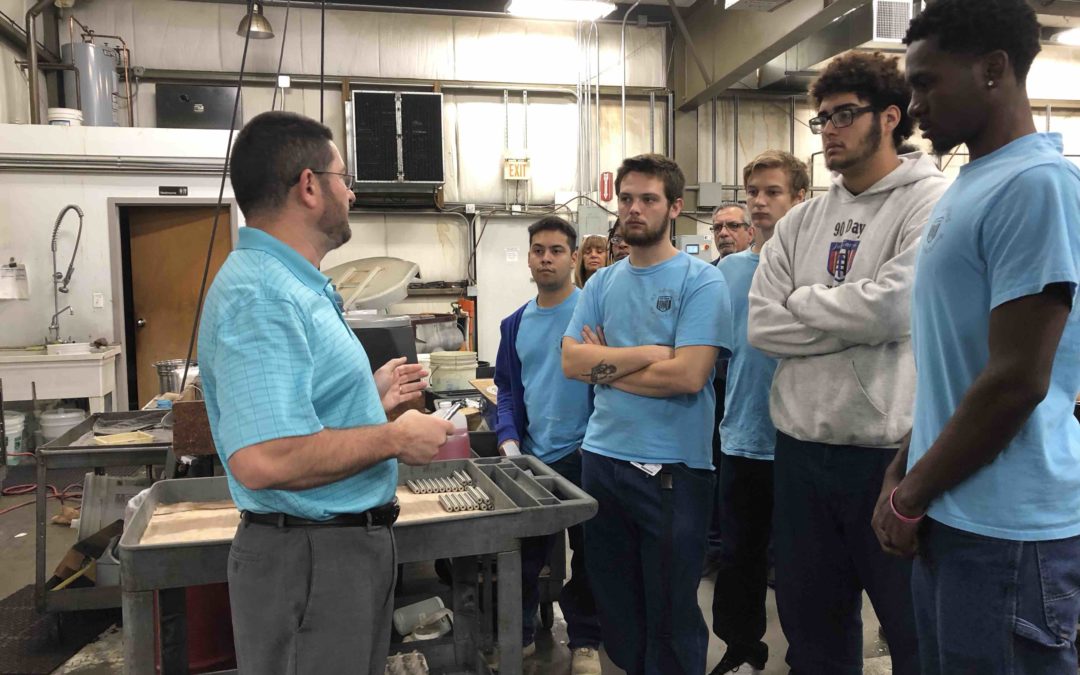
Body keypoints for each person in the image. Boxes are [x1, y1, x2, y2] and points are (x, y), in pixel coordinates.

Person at [198, 111, 455, 674]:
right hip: (309, 559)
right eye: (343, 177)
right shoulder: (264, 295)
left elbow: (298, 409)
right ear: (309, 186)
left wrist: (367, 397)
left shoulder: (296, 284)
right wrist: (391, 438)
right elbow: (264, 459)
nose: (352, 191)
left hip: (335, 552)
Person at [872, 3, 1080, 673]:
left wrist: (911, 493)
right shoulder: (973, 185)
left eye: (928, 83)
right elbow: (956, 365)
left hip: (1008, 537)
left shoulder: (1036, 186)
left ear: (994, 70)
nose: (913, 105)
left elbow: (1017, 378)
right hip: (953, 517)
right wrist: (903, 468)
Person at [747, 51, 948, 675]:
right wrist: (847, 322)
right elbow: (761, 324)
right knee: (812, 634)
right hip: (801, 453)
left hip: (885, 458)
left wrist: (804, 302)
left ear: (890, 117)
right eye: (822, 119)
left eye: (843, 115)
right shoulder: (803, 220)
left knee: (913, 630)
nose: (829, 130)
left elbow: (895, 311)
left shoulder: (932, 201)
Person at [562, 153, 733, 675]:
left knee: (670, 612)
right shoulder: (601, 283)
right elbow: (572, 361)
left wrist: (606, 363)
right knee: (619, 609)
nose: (634, 209)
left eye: (649, 199)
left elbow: (688, 376)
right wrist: (646, 354)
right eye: (627, 199)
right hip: (602, 460)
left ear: (675, 208)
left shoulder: (701, 281)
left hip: (671, 472)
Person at [709, 150, 808, 675]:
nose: (760, 202)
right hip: (743, 434)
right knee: (739, 556)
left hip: (800, 438)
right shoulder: (729, 271)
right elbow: (713, 353)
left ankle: (806, 652)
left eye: (773, 192)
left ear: (800, 198)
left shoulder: (814, 266)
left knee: (800, 563)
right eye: (753, 193)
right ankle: (742, 645)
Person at [494, 215, 603, 674]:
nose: (546, 258)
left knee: (591, 557)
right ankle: (516, 636)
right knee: (523, 556)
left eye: (556, 250)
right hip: (533, 457)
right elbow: (504, 389)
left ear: (574, 258)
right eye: (538, 250)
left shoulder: (593, 315)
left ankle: (585, 641)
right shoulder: (514, 324)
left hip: (586, 455)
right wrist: (508, 438)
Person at [701, 200, 754, 575]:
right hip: (714, 389)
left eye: (733, 226)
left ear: (750, 232)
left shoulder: (762, 273)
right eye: (718, 227)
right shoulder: (707, 277)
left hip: (750, 391)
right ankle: (713, 545)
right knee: (713, 468)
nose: (724, 234)